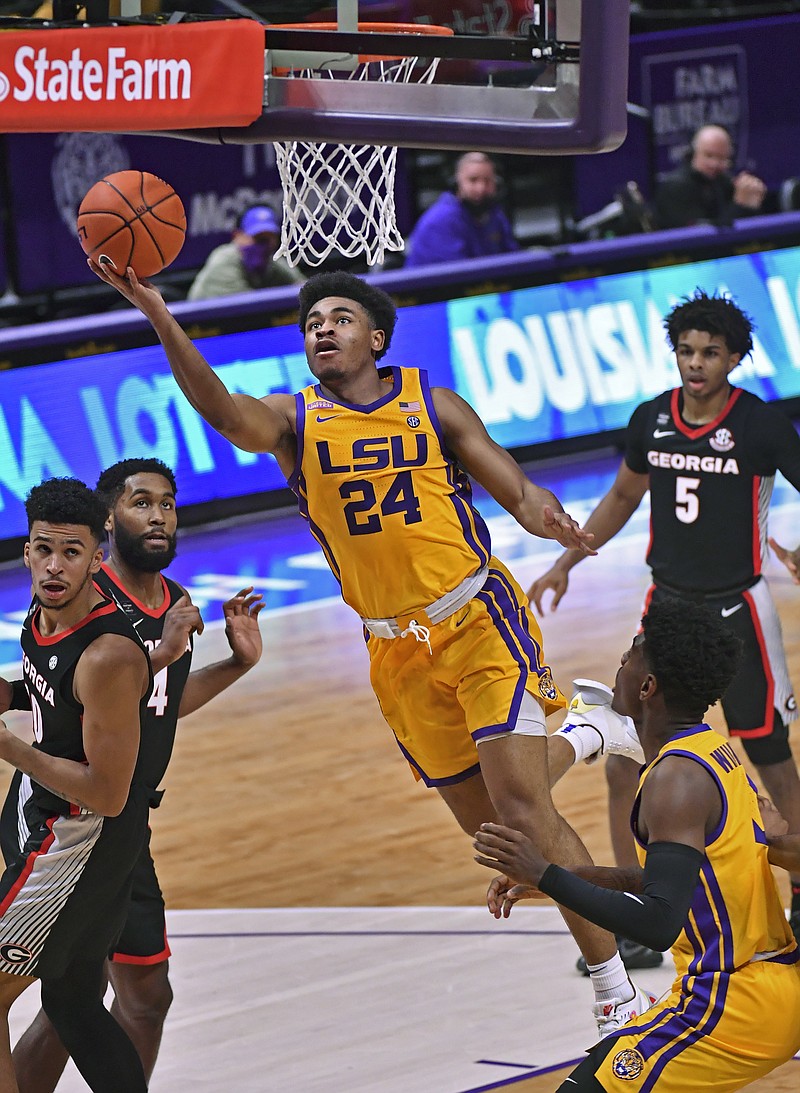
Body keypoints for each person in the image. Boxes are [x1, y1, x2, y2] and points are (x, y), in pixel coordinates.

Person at [88, 259, 654, 1035]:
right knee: (490, 829)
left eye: (340, 318)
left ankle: (616, 988)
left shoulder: (432, 402)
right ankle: (588, 731)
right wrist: (158, 311)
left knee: (522, 812)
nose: (323, 327)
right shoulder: (296, 423)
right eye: (313, 322)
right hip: (394, 650)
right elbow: (222, 411)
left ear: (375, 337)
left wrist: (551, 522)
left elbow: (517, 491)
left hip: (477, 615)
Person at [529, 288, 800, 959]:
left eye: (710, 351)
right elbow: (623, 494)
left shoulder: (761, 425)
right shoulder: (652, 419)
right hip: (666, 610)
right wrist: (567, 560)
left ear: (736, 358)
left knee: (773, 762)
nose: (696, 362)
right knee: (629, 757)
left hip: (739, 612)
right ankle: (642, 912)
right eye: (686, 350)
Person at [5, 458, 264, 1093]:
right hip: (61, 817)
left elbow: (142, 717)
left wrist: (229, 664)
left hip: (100, 822)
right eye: (141, 502)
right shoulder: (64, 608)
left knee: (131, 994)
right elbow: (75, 694)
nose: (158, 516)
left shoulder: (156, 618)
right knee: (73, 993)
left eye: (167, 504)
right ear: (109, 523)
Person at [474, 598, 800, 1090]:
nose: (621, 662)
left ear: (648, 688)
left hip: (728, 1005)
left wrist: (546, 873)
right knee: (602, 1061)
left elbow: (658, 922)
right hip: (769, 986)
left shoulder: (674, 782)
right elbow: (679, 880)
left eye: (630, 654)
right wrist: (563, 880)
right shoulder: (710, 750)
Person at [0, 477, 153, 1093]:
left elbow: (108, 793)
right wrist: (9, 697)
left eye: (72, 552)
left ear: (98, 554)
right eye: (44, 549)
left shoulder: (108, 653)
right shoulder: (44, 614)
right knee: (73, 1002)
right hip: (50, 821)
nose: (55, 566)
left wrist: (9, 747)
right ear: (26, 549)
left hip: (76, 838)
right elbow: (53, 703)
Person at [403, 152, 520, 268]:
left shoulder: (495, 214)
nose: (481, 188)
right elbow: (457, 276)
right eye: (473, 180)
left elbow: (513, 259)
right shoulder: (440, 221)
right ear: (457, 182)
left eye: (487, 180)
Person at [653, 125, 768, 230]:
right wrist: (739, 205)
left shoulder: (723, 181)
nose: (714, 164)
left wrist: (751, 205)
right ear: (694, 153)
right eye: (709, 155)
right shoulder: (676, 187)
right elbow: (701, 236)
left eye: (721, 158)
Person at [187, 204, 304, 301]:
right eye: (258, 239)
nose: (263, 246)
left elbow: (303, 289)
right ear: (237, 236)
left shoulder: (272, 261)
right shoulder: (224, 261)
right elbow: (250, 308)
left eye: (268, 239)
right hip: (202, 326)